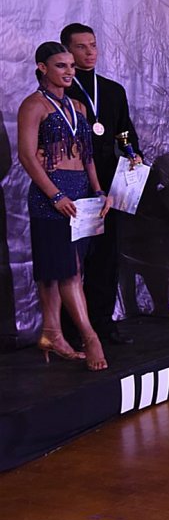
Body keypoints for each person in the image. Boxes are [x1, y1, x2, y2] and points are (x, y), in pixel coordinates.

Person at [18, 41, 110, 370]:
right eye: (61, 65)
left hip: (81, 193)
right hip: (52, 196)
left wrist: (98, 190)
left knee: (65, 270)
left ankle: (52, 334)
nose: (69, 71)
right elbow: (27, 156)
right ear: (42, 67)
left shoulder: (78, 107)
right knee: (66, 270)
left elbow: (87, 155)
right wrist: (55, 195)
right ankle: (90, 337)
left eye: (71, 66)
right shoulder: (33, 105)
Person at [61, 23, 141, 345]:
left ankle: (103, 323)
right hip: (73, 179)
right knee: (74, 257)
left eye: (93, 45)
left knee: (107, 255)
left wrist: (132, 153)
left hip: (108, 179)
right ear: (67, 50)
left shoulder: (112, 90)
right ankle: (72, 329)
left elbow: (124, 131)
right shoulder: (63, 90)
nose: (90, 52)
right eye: (81, 47)